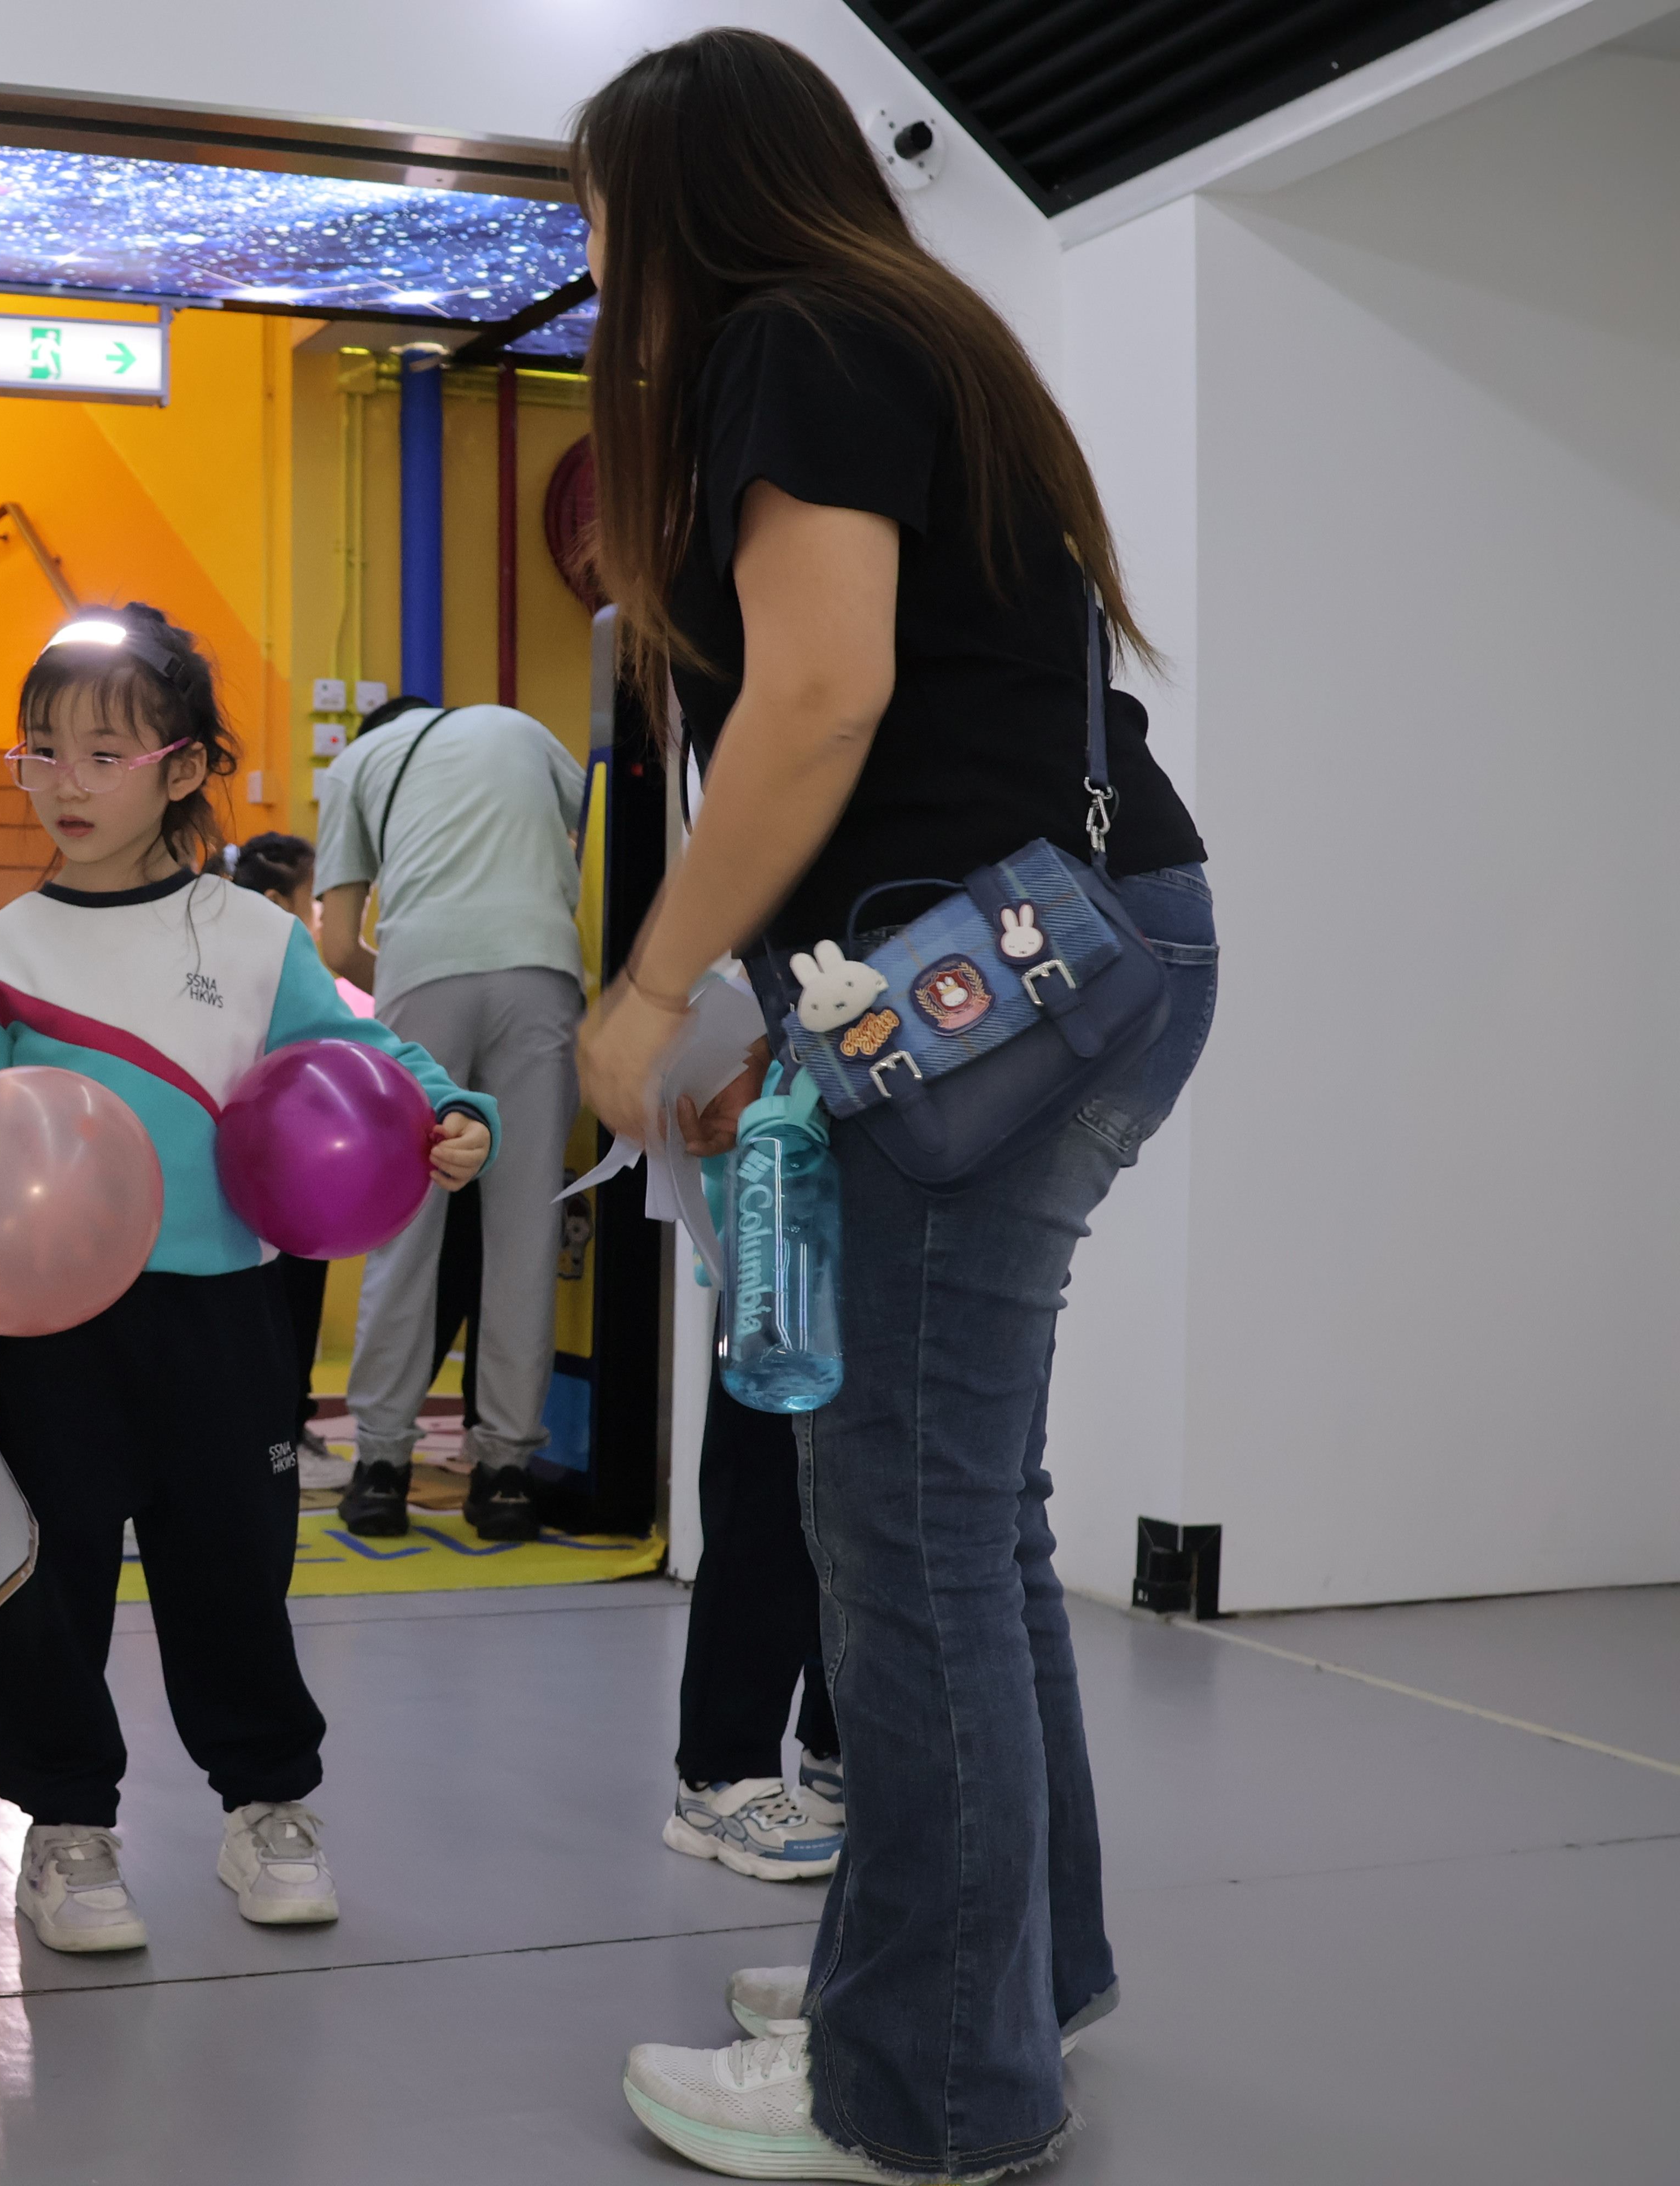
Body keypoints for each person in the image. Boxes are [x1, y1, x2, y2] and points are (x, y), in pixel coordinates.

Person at [563, 33, 1217, 2181]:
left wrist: (655, 982)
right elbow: (921, 727)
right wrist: (782, 1015)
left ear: (681, 201)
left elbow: (828, 692)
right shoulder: (914, 332)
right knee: (975, 1514)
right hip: (1072, 945)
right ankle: (1006, 1974)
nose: (601, 263)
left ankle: (929, 2075)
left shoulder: (793, 343)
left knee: (910, 1530)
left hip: (995, 978)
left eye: (602, 217)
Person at [0, 607, 492, 1954]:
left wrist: (450, 1109)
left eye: (104, 754)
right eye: (41, 751)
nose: (66, 782)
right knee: (46, 1582)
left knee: (233, 1570)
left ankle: (269, 1803)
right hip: (49, 1327)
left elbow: (367, 1055)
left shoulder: (251, 934)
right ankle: (66, 1827)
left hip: (224, 1314)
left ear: (182, 768)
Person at [315, 694, 589, 1540]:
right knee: (526, 1230)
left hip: (423, 974)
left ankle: (381, 1470)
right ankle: (505, 1477)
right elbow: (596, 821)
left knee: (407, 1229)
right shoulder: (522, 727)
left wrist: (408, 981)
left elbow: (336, 947)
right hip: (543, 967)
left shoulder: (357, 763)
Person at [663, 1366, 843, 1882]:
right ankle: (719, 1780)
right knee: (764, 1482)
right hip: (776, 1313)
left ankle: (834, 1749)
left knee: (857, 1493)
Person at [220, 831, 347, 1484]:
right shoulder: (277, 970)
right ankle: (284, 1434)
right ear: (276, 903)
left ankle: (286, 1429)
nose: (320, 921)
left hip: (286, 1176)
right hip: (275, 1183)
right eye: (314, 905)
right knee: (283, 1312)